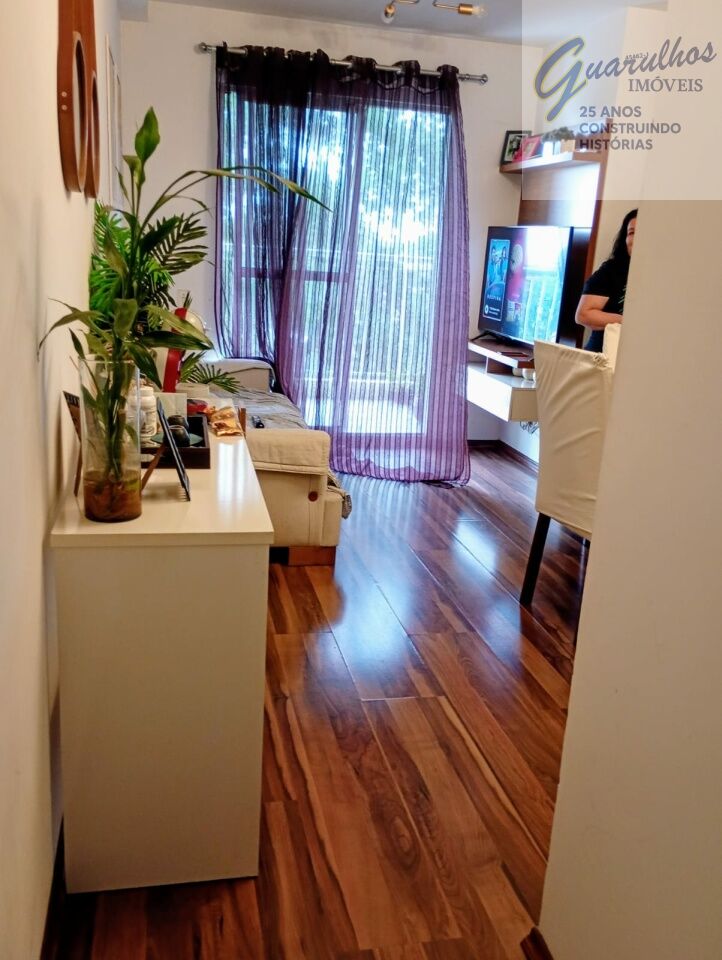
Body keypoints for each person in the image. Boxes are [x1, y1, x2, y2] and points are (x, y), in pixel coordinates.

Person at [576, 209, 637, 352]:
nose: (636, 238)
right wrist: (629, 322)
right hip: (601, 354)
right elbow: (583, 314)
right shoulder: (611, 270)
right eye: (631, 232)